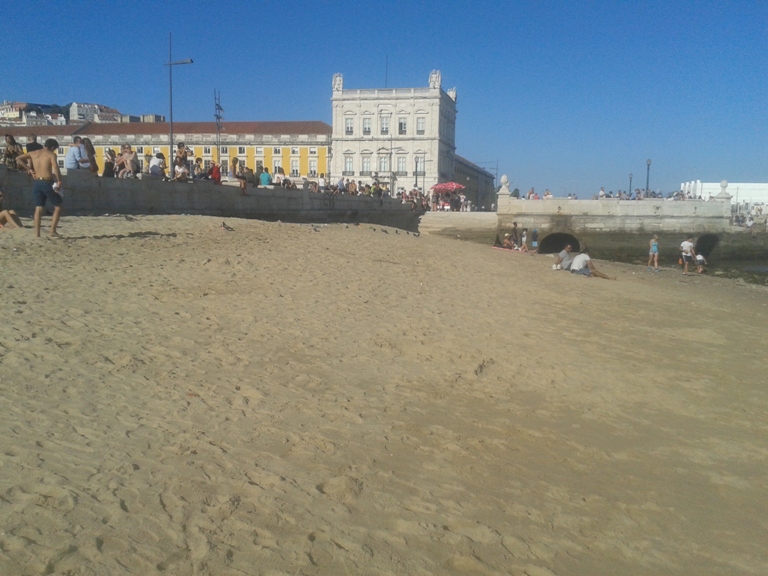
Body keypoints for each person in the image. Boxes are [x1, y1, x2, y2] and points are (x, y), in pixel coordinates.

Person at [15, 138, 64, 237]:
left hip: (37, 181)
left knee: (38, 208)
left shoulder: (33, 153)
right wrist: (59, 180)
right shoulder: (51, 155)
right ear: (52, 147)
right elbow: (55, 167)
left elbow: (18, 158)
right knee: (58, 206)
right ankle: (52, 231)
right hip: (47, 181)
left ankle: (37, 233)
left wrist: (29, 169)